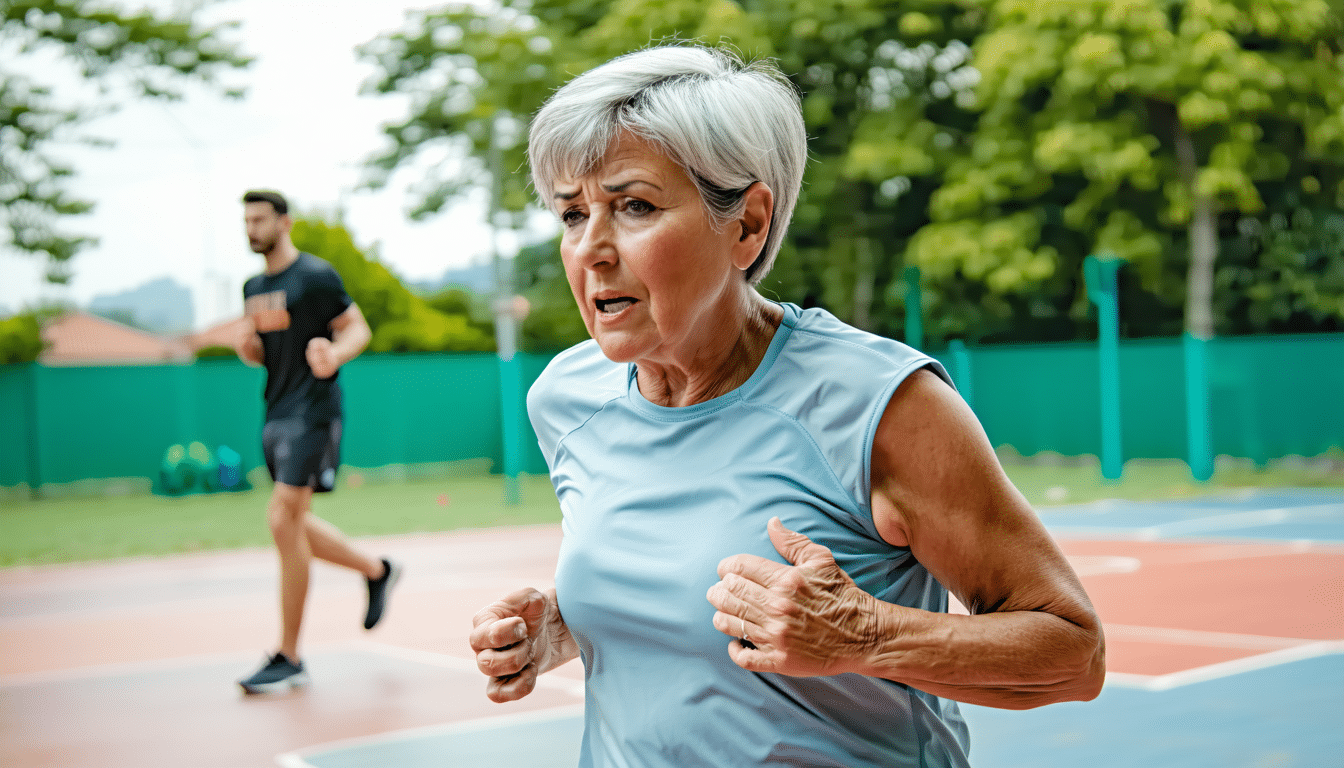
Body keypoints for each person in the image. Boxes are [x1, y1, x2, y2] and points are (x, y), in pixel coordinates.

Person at [468, 46, 1106, 766]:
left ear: (748, 223)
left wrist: (865, 636)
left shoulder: (881, 404)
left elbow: (1074, 653)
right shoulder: (566, 399)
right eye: (572, 213)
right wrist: (560, 628)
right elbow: (673, 599)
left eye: (634, 206)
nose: (591, 249)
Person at [233, 189, 401, 695]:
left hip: (314, 412)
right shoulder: (253, 287)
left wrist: (336, 353)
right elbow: (266, 351)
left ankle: (288, 655)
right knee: (291, 521)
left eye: (260, 219)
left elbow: (357, 329)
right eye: (246, 221)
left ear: (284, 222)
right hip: (275, 411)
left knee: (282, 517)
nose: (251, 229)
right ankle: (376, 570)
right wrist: (250, 349)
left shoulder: (315, 276)